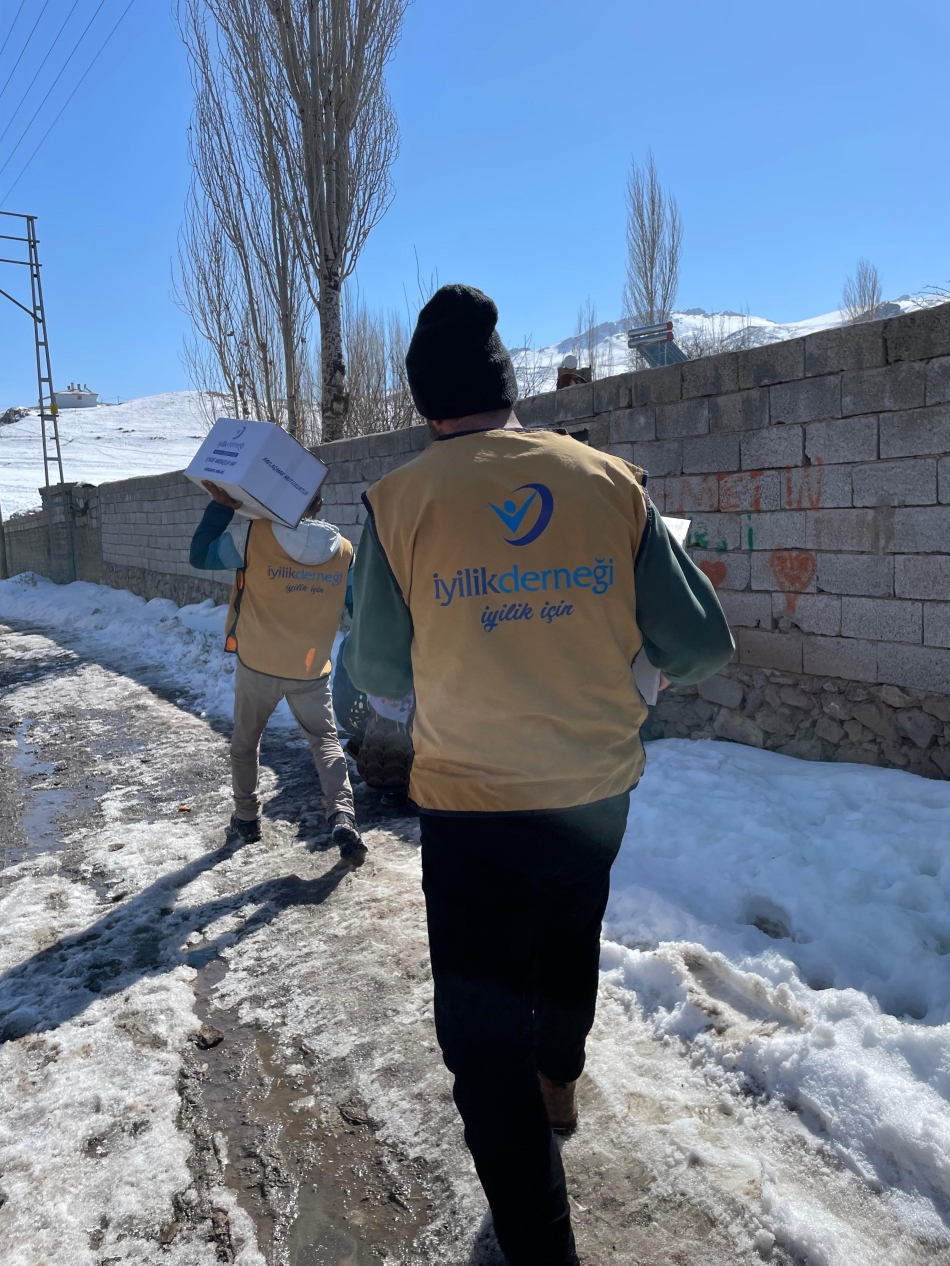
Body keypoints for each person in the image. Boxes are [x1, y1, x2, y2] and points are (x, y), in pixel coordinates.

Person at [343, 284, 734, 1264]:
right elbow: (700, 645)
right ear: (506, 386)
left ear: (424, 402)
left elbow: (379, 670)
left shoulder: (399, 503)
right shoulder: (610, 482)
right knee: (567, 937)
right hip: (593, 791)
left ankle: (538, 1241)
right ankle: (557, 1080)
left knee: (481, 1039)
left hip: (471, 804)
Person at [190, 481, 365, 865]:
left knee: (245, 743)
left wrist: (222, 507)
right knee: (325, 741)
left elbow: (200, 555)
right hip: (309, 667)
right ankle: (342, 815)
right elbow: (356, 606)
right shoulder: (344, 551)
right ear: (319, 505)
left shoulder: (252, 536)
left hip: (259, 664)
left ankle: (247, 818)